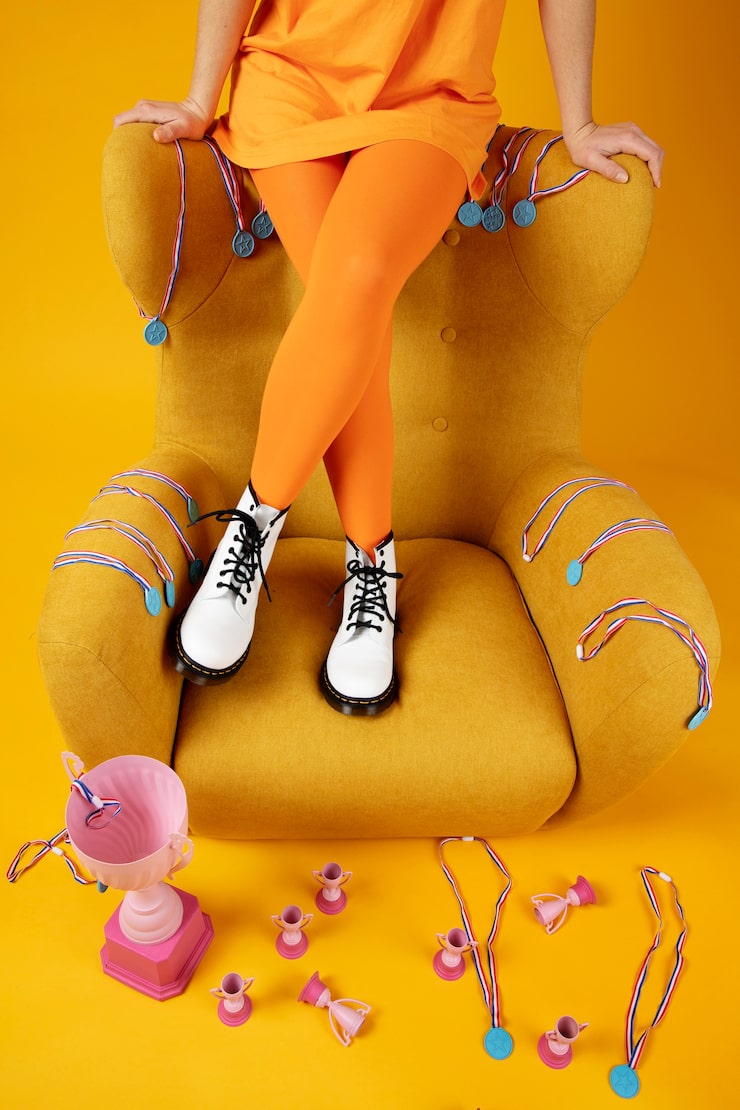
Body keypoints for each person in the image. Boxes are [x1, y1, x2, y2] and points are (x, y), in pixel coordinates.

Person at [114, 0, 664, 716]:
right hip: (289, 83)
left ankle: (252, 527)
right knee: (348, 311)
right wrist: (198, 98)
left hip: (433, 92)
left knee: (358, 278)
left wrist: (580, 122)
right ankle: (372, 564)